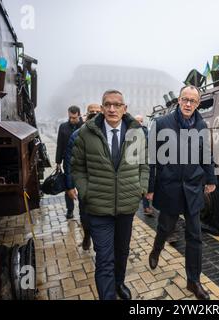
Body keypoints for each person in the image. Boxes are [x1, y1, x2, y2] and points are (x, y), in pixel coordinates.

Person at [71, 90, 148, 300]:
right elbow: (77, 167)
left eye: (117, 105)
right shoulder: (86, 133)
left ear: (125, 108)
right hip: (98, 208)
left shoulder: (137, 133)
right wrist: (87, 192)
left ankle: (119, 282)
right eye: (108, 104)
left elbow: (144, 165)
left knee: (122, 252)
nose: (112, 109)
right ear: (102, 108)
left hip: (126, 206)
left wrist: (140, 189)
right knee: (104, 257)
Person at [146, 85, 216, 300]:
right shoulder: (161, 124)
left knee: (195, 236)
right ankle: (157, 248)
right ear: (178, 100)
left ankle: (193, 281)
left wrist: (211, 178)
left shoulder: (202, 124)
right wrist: (149, 189)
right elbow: (150, 160)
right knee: (166, 227)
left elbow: (206, 153)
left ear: (198, 103)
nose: (188, 104)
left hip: (193, 189)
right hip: (170, 188)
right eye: (185, 99)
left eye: (192, 101)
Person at [64, 104, 102, 250]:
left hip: (104, 183)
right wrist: (69, 185)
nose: (94, 114)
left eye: (97, 112)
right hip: (85, 183)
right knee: (85, 214)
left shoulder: (108, 133)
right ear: (86, 115)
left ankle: (100, 242)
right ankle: (87, 235)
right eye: (91, 112)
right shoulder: (77, 135)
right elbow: (69, 163)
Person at [55, 105, 83, 219]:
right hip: (67, 161)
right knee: (68, 187)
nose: (72, 120)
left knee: (82, 187)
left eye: (74, 118)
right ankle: (70, 210)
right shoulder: (63, 127)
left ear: (79, 115)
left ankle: (82, 212)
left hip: (81, 162)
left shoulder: (84, 126)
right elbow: (59, 145)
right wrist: (58, 161)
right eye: (70, 117)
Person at [134, 114, 155, 217]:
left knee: (146, 182)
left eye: (141, 121)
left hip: (147, 160)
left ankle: (146, 206)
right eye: (138, 121)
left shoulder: (147, 131)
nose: (140, 123)